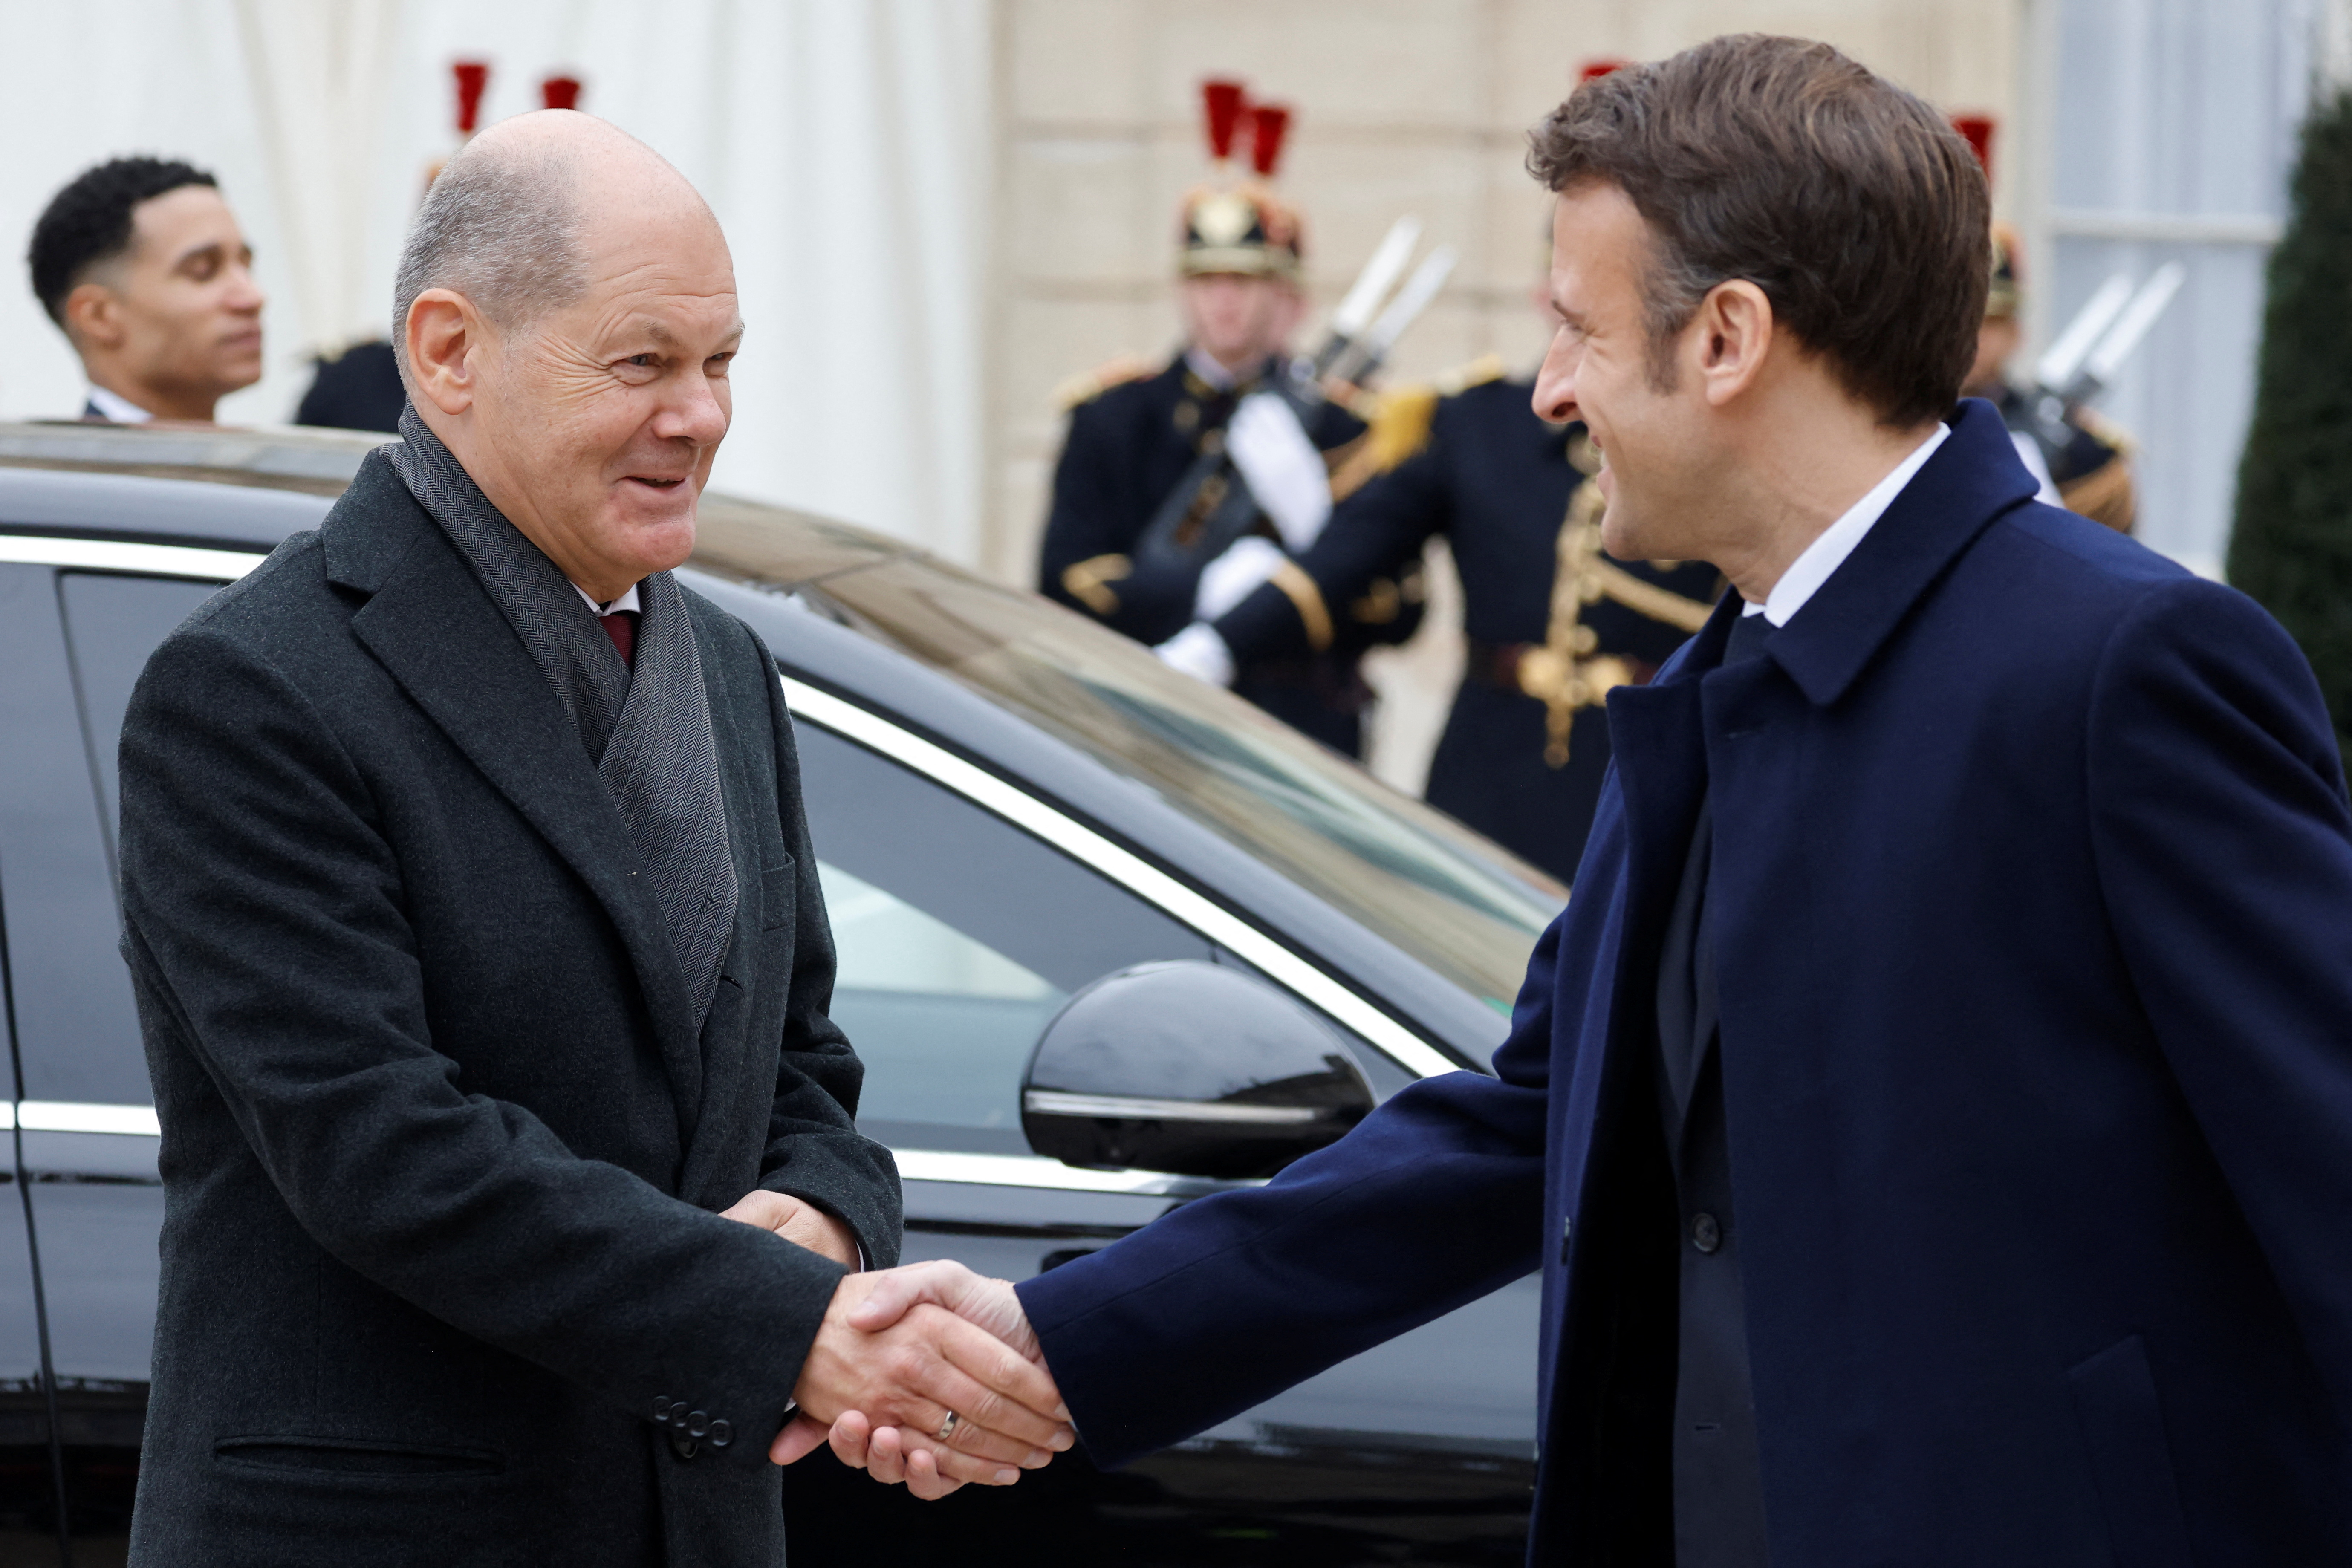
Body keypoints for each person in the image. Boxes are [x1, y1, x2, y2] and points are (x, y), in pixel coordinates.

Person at [826, 35, 2352, 1565]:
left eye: (1576, 327)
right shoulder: (1720, 675)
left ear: (1726, 339)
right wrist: (1062, 1337)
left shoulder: (2123, 667)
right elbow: (1526, 1119)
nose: (1549, 390)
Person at [116, 111, 1068, 1566]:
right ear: (448, 352)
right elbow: (384, 1149)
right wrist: (785, 1322)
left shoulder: (724, 666)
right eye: (642, 363)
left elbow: (797, 1060)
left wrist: (822, 1214)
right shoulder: (258, 683)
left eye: (721, 362)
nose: (699, 415)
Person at [1164, 343, 1721, 879]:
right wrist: (1215, 647)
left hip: (1643, 775)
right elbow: (1350, 556)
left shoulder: (1703, 430)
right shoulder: (1477, 422)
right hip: (1488, 769)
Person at [1037, 109, 1421, 757]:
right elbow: (1066, 581)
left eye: (1246, 280)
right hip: (1147, 723)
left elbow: (1399, 609)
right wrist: (1204, 588)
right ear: (1182, 290)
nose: (1225, 301)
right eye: (1207, 278)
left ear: (1287, 295)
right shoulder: (1114, 415)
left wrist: (1314, 530)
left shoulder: (1345, 426)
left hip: (1299, 733)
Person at [26, 156, 264, 423]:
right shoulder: (68, 464)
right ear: (98, 316)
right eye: (202, 272)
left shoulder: (279, 458)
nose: (253, 298)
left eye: (245, 268)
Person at [1965, 224, 2136, 531]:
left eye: (1990, 322)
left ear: (2016, 334)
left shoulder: (2079, 451)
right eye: (1961, 319)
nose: (1972, 337)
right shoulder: (1890, 425)